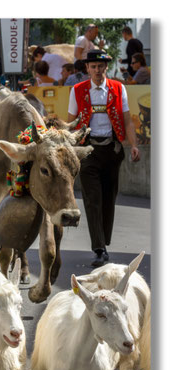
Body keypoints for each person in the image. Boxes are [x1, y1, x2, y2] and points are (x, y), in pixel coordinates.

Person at [67, 50, 140, 267]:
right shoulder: (77, 90)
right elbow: (72, 123)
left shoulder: (118, 88)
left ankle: (104, 241)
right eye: (93, 67)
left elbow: (127, 120)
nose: (98, 71)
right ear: (87, 69)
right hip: (88, 150)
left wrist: (134, 144)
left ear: (106, 68)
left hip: (112, 150)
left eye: (101, 66)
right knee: (92, 200)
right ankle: (99, 247)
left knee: (109, 198)